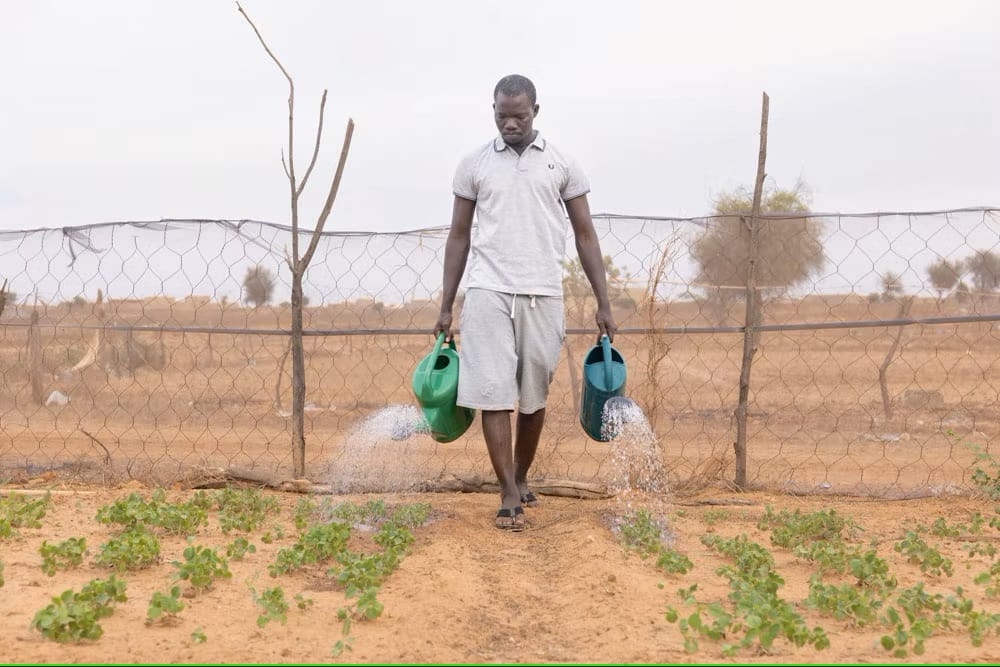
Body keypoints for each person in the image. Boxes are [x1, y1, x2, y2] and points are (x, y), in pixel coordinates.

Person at [433, 74, 617, 531]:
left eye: (519, 115)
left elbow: (586, 235)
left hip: (543, 292)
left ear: (536, 110)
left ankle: (521, 474)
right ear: (492, 110)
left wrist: (604, 301)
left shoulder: (562, 164)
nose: (510, 123)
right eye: (502, 115)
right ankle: (508, 492)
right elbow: (457, 238)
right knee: (493, 394)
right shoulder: (473, 163)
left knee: (533, 397)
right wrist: (445, 303)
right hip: (487, 290)